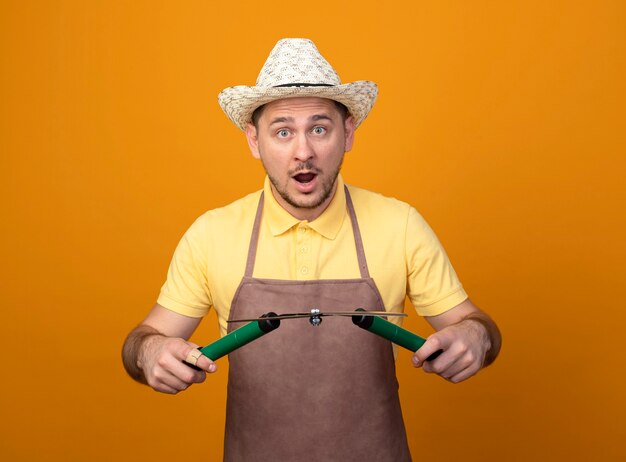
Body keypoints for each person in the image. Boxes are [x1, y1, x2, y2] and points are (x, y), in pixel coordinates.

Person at [122, 38, 501, 462]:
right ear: (254, 140)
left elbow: (476, 325)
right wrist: (149, 352)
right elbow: (144, 340)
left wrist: (475, 336)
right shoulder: (211, 234)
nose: (303, 152)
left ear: (348, 132)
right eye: (282, 131)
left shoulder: (401, 225)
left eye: (319, 128)